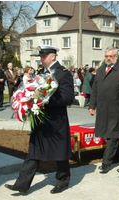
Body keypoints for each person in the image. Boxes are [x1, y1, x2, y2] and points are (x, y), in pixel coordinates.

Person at [5, 45, 74, 194]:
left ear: (53, 57)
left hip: (56, 120)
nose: (41, 60)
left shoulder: (63, 73)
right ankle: (22, 184)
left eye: (44, 57)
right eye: (41, 57)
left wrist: (46, 99)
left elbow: (68, 98)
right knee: (34, 151)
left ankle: (63, 181)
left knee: (60, 152)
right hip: (40, 119)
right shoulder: (40, 74)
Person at [89, 46, 119, 173]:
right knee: (108, 133)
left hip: (118, 109)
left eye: (110, 56)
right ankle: (117, 157)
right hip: (103, 108)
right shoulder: (101, 70)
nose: (108, 59)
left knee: (113, 135)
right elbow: (95, 89)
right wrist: (92, 105)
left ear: (116, 57)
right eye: (106, 56)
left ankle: (106, 163)